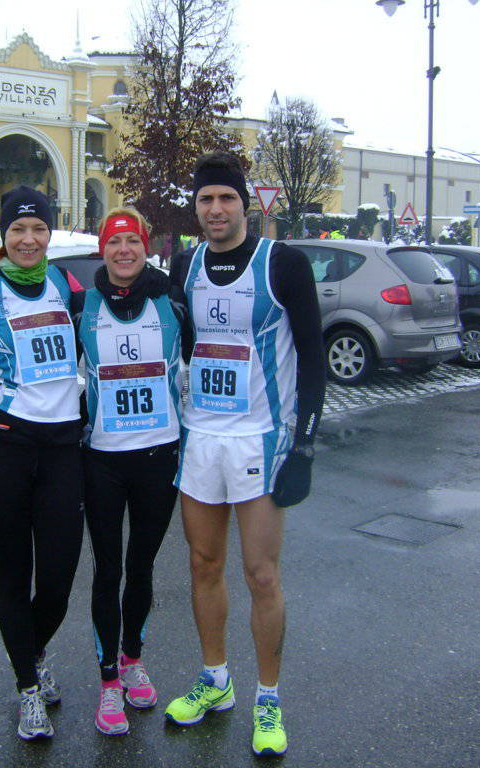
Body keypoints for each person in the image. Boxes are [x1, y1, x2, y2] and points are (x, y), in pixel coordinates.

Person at [164, 151, 326, 758]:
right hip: (201, 438)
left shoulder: (282, 265)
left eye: (226, 198)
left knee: (261, 575)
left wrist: (305, 445)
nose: (215, 209)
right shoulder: (184, 265)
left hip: (261, 439)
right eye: (206, 199)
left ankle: (268, 696)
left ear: (246, 205)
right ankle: (215, 681)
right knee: (203, 566)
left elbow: (312, 358)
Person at [0, 186, 87, 742]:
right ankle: (28, 684)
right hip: (4, 446)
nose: (28, 240)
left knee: (58, 577)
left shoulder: (68, 286)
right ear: (2, 238)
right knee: (14, 574)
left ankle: (31, 653)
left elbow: (109, 326)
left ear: (49, 234)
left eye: (37, 229)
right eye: (17, 231)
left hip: (61, 448)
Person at [75, 207, 184, 736]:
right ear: (103, 249)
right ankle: (108, 681)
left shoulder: (170, 303)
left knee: (141, 569)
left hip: (158, 455)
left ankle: (133, 656)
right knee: (108, 570)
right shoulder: (83, 306)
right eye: (114, 242)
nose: (124, 251)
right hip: (103, 459)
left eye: (133, 242)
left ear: (146, 248)